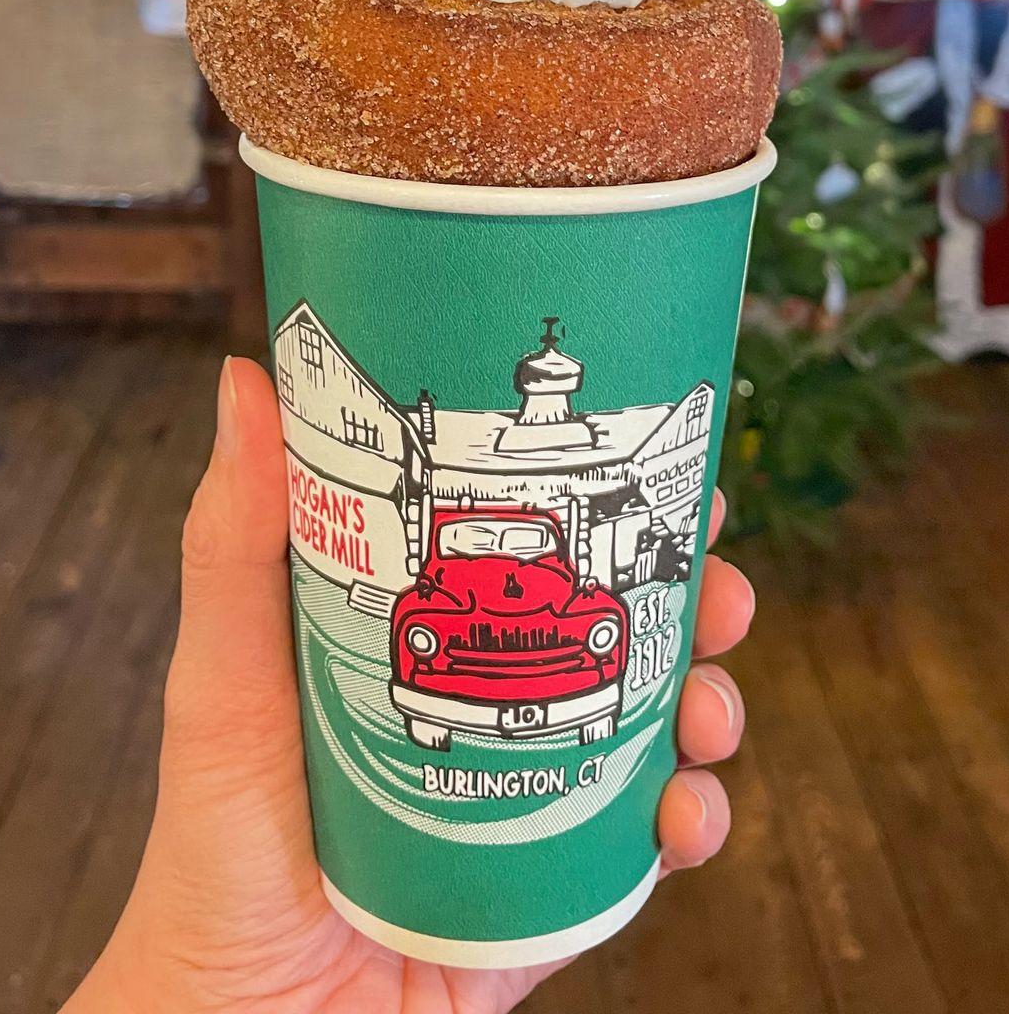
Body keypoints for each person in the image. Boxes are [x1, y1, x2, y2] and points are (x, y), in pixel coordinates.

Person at [64, 355, 754, 1014]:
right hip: (318, 920)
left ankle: (580, 717)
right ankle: (449, 716)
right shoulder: (433, 582)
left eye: (524, 548)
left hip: (574, 710)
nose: (503, 558)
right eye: (475, 544)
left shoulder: (569, 580)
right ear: (440, 550)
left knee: (658, 656)